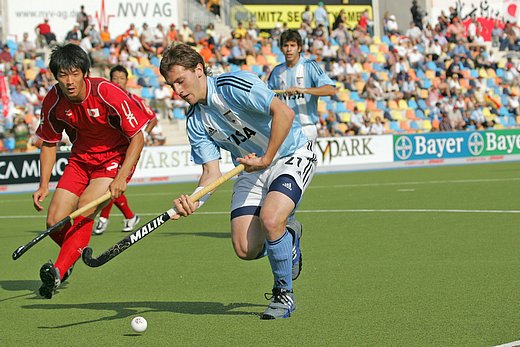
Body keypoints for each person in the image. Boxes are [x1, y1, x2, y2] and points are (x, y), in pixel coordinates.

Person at [160, 43, 317, 319]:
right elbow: (211, 173)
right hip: (250, 169)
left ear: (199, 70)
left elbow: (285, 113)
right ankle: (288, 235)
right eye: (172, 85)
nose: (178, 92)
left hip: (291, 153)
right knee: (245, 249)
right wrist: (194, 201)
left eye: (180, 81)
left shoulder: (232, 85)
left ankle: (284, 294)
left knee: (271, 219)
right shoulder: (195, 120)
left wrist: (267, 158)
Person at [32, 44, 149, 298]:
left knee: (85, 207)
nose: (69, 81)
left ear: (85, 72)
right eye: (63, 75)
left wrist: (121, 177)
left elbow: (138, 137)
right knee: (54, 221)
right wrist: (43, 185)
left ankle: (58, 272)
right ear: (56, 77)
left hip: (114, 158)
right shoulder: (53, 101)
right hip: (80, 160)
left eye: (75, 74)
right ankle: (72, 255)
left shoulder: (106, 91)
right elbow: (50, 143)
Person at [93, 64, 159, 235]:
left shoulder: (134, 99)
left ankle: (104, 219)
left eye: (121, 79)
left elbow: (152, 118)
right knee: (108, 184)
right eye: (115, 79)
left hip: (128, 148)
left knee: (111, 183)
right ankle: (129, 217)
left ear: (126, 81)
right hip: (110, 147)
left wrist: (141, 134)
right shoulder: (104, 100)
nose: (118, 82)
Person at [267, 30, 336, 142]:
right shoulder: (276, 71)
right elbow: (268, 97)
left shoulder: (309, 66)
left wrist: (304, 90)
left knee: (303, 160)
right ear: (281, 48)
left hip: (306, 128)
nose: (289, 49)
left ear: (299, 48)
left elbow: (331, 90)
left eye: (293, 45)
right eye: (285, 45)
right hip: (283, 129)